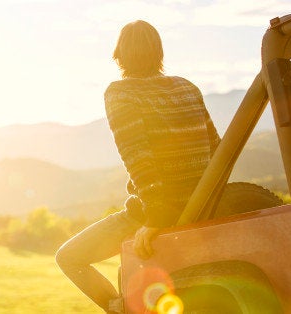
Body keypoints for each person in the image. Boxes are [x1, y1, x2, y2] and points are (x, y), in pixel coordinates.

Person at [55, 20, 220, 313]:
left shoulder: (121, 94)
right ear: (159, 53)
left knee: (68, 257)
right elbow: (218, 148)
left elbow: (138, 159)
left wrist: (156, 218)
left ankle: (120, 308)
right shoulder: (187, 88)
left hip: (156, 212)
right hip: (204, 206)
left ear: (119, 55)